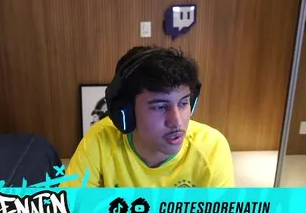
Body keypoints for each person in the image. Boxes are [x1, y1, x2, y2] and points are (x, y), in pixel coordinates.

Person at [64, 46, 233, 188]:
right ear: (127, 112)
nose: (177, 122)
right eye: (160, 107)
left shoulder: (211, 147)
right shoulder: (101, 140)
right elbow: (68, 210)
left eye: (183, 103)